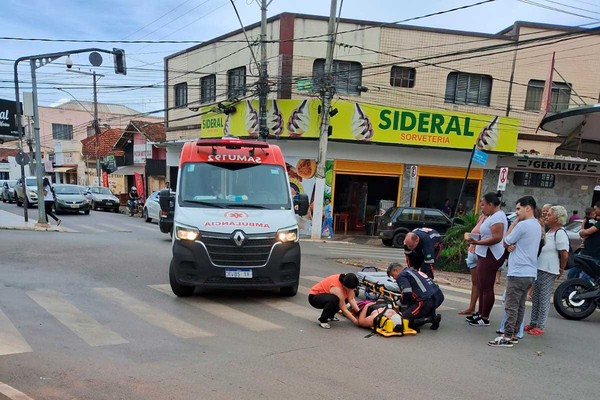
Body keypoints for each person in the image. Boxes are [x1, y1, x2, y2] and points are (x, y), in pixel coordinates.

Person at [489, 196, 541, 348]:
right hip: (530, 272)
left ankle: (506, 336)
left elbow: (505, 240)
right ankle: (513, 335)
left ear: (528, 208)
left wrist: (516, 223)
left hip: (518, 271)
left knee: (511, 305)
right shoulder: (537, 225)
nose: (516, 212)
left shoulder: (522, 225)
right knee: (520, 306)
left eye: (518, 209)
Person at [525, 205, 569, 336]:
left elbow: (564, 254)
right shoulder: (548, 232)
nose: (546, 217)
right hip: (539, 268)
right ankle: (533, 322)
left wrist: (561, 268)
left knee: (543, 298)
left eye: (549, 215)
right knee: (536, 297)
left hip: (548, 269)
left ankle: (540, 325)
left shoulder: (560, 233)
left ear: (557, 218)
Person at [465, 192, 508, 327]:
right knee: (482, 285)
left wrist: (478, 243)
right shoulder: (491, 216)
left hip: (492, 255)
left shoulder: (498, 217)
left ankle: (485, 317)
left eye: (483, 205)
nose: (481, 208)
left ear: (491, 204)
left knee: (487, 286)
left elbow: (496, 237)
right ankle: (480, 312)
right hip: (484, 253)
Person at [387, 263, 443, 330]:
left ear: (396, 270)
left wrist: (400, 302)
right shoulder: (413, 271)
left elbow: (407, 292)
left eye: (393, 276)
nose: (394, 279)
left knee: (404, 320)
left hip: (426, 300)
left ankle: (431, 318)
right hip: (438, 295)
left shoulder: (401, 276)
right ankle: (430, 314)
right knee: (416, 306)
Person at [458, 213, 486, 315]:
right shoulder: (482, 217)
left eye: (484, 205)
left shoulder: (494, 220)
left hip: (482, 253)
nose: (482, 208)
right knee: (475, 282)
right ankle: (472, 307)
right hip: (473, 251)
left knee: (483, 283)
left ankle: (482, 311)